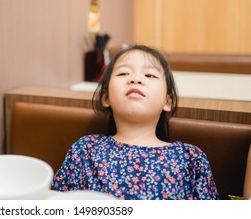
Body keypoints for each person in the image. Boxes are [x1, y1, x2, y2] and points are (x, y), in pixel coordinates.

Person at [52, 45, 220, 200]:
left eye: (150, 75)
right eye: (123, 73)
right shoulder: (85, 150)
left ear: (167, 102)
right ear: (106, 98)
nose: (136, 79)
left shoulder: (191, 159)